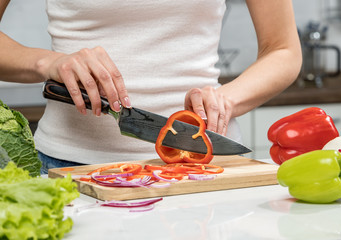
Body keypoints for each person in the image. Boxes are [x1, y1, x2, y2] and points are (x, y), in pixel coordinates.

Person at [0, 0, 302, 174]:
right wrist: (47, 62)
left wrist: (227, 100)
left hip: (202, 163)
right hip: (68, 166)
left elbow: (283, 50)